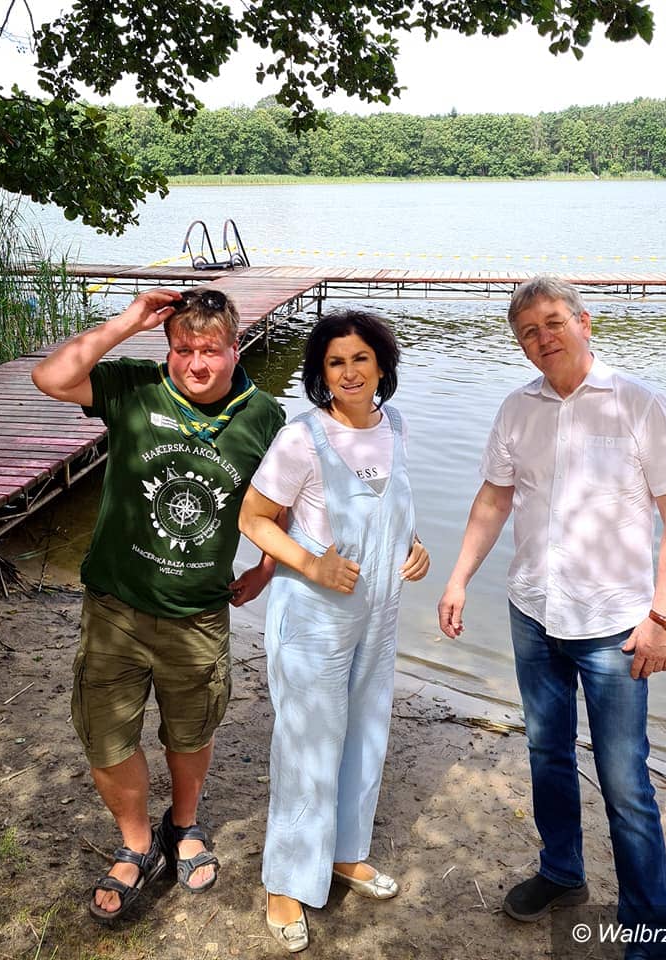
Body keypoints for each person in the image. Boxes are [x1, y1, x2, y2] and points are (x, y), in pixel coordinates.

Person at [438, 276, 666, 959]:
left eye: (554, 322)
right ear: (521, 345)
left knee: (625, 781)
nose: (543, 337)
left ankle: (650, 934)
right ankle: (561, 871)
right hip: (533, 612)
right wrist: (459, 578)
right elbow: (494, 500)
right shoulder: (516, 409)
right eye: (529, 331)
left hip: (616, 627)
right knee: (546, 752)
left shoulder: (639, 404)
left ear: (585, 322)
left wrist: (664, 620)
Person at [30, 287, 285, 922]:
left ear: (235, 347)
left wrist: (268, 567)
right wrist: (129, 321)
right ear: (168, 348)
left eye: (210, 350)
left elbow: (282, 498)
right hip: (115, 608)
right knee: (106, 735)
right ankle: (137, 843)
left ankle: (185, 825)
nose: (197, 363)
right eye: (183, 349)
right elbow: (50, 378)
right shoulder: (134, 387)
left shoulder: (263, 414)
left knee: (192, 731)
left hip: (198, 613)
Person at [239, 309, 429, 953]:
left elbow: (390, 510)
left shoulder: (395, 426)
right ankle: (286, 882)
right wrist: (311, 562)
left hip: (379, 611)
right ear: (321, 373)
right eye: (335, 362)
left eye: (360, 359)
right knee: (308, 745)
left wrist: (415, 547)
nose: (349, 373)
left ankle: (346, 852)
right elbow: (254, 519)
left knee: (367, 732)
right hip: (314, 616)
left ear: (382, 365)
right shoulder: (302, 437)